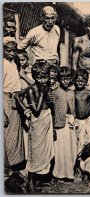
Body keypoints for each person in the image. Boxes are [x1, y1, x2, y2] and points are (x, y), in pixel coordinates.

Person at [17, 62, 54, 192]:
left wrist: (48, 97)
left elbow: (49, 104)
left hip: (47, 119)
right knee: (36, 152)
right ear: (34, 76)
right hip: (38, 121)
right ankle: (31, 182)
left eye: (45, 77)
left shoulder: (46, 86)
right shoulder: (32, 89)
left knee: (45, 152)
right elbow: (37, 110)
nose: (43, 80)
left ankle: (38, 181)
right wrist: (43, 94)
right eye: (40, 77)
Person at [3, 38, 25, 177]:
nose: (11, 53)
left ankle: (12, 166)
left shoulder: (13, 63)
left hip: (14, 100)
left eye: (14, 51)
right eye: (8, 50)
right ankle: (5, 168)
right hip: (5, 100)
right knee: (6, 137)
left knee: (14, 135)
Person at [51, 67, 77, 181]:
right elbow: (52, 110)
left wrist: (73, 119)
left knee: (71, 148)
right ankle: (59, 174)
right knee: (60, 149)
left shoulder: (72, 92)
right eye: (63, 79)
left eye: (68, 78)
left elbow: (73, 107)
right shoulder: (55, 92)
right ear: (59, 79)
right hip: (59, 123)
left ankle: (69, 173)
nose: (66, 81)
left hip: (70, 122)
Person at [74, 69, 90, 154]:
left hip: (87, 120)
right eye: (78, 80)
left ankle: (86, 157)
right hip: (77, 120)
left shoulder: (89, 92)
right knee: (77, 140)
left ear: (86, 81)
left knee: (87, 139)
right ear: (74, 80)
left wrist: (87, 115)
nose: (80, 83)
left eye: (82, 81)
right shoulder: (73, 92)